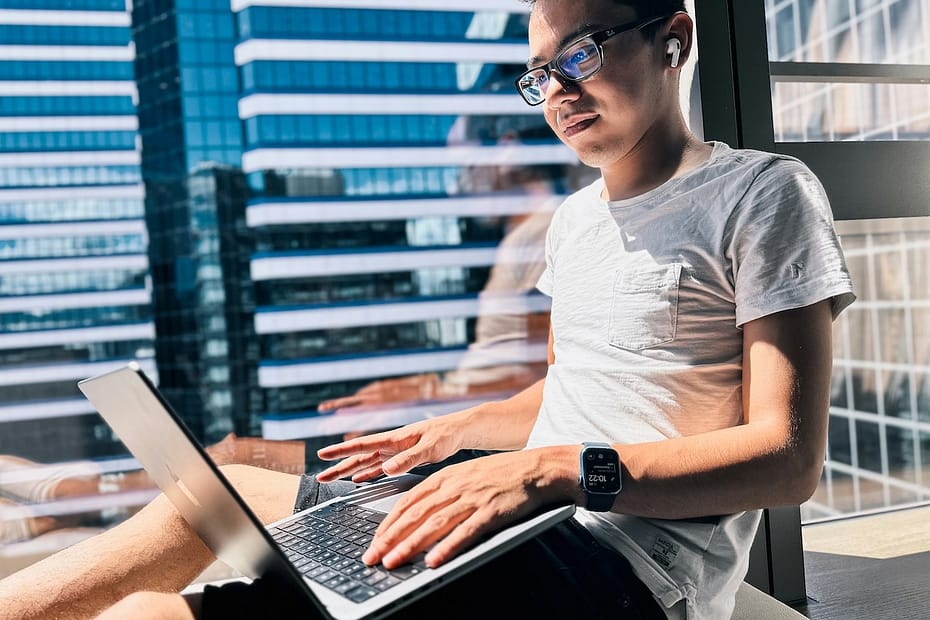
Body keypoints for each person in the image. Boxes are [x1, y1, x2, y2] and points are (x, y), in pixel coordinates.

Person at [0, 1, 856, 618]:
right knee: (199, 500)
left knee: (150, 614)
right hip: (524, 519)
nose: (558, 90)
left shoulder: (762, 194)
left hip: (627, 568)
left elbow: (786, 463)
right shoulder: (574, 221)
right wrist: (455, 430)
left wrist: (547, 471)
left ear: (674, 38)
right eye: (540, 75)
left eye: (581, 54)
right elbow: (569, 388)